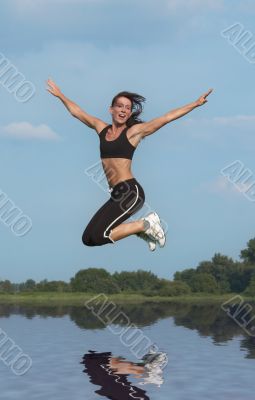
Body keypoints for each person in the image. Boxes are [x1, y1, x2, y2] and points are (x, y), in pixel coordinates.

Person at [47, 79, 213, 250]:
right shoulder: (101, 128)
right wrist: (60, 95)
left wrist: (195, 104)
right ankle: (141, 229)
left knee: (99, 235)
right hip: (116, 194)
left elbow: (166, 118)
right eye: (120, 106)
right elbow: (78, 112)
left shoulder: (133, 133)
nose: (124, 110)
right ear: (111, 110)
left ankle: (145, 224)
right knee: (88, 238)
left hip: (130, 192)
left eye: (127, 108)